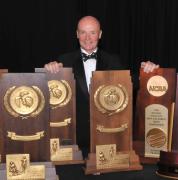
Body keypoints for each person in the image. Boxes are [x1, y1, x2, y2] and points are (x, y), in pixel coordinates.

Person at [44, 15, 159, 158]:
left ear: (100, 34)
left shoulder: (112, 60)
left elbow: (130, 84)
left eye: (92, 32)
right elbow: (50, 92)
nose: (87, 38)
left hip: (106, 140)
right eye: (83, 32)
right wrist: (49, 71)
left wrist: (149, 72)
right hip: (73, 143)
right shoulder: (64, 60)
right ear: (77, 34)